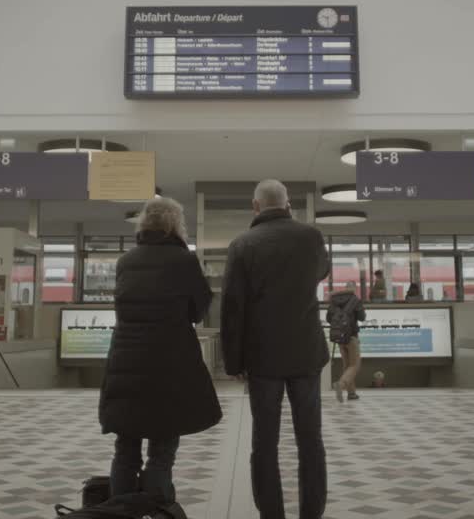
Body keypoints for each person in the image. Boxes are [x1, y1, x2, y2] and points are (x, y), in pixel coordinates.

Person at [99, 197, 221, 503]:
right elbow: (198, 309)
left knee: (125, 451)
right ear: (174, 224)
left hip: (125, 361)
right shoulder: (183, 260)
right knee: (161, 453)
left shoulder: (126, 261)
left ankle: (119, 512)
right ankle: (157, 511)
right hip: (169, 364)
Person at [222, 180, 331, 519]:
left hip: (262, 356)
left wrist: (233, 360)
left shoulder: (242, 244)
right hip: (306, 353)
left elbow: (232, 307)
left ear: (255, 207)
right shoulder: (311, 237)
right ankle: (311, 513)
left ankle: (271, 514)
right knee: (310, 439)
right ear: (288, 204)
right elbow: (322, 271)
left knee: (264, 442)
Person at [326, 281, 365, 403]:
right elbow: (362, 317)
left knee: (347, 365)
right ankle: (341, 385)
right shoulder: (355, 300)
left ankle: (351, 393)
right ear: (354, 289)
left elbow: (328, 318)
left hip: (339, 337)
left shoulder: (334, 300)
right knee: (355, 365)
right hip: (352, 336)